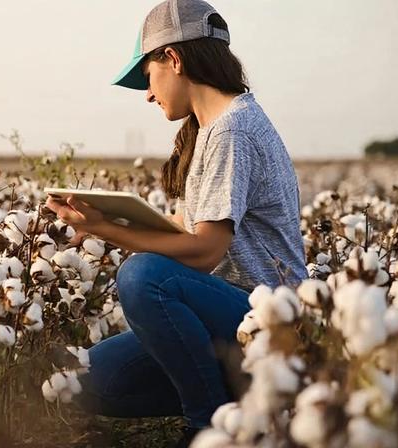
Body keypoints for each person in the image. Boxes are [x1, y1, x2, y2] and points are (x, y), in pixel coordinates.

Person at [44, 0, 307, 446]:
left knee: (144, 276)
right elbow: (186, 227)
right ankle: (244, 404)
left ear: (174, 59)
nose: (148, 94)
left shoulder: (233, 131)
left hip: (271, 323)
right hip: (228, 314)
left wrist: (108, 231)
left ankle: (207, 426)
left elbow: (204, 250)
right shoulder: (212, 130)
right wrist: (101, 217)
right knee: (86, 380)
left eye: (148, 76)